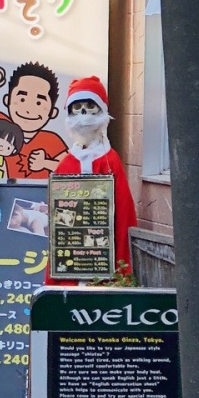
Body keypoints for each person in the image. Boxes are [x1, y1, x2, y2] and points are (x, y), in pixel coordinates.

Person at [51, 75, 137, 278]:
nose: (82, 113)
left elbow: (124, 211)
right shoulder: (66, 164)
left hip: (104, 250)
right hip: (71, 251)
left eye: (89, 106)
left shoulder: (110, 160)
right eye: (77, 107)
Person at [0, 61, 68, 177]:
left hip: (41, 193)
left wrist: (45, 163)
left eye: (38, 103)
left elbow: (70, 168)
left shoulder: (52, 139)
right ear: (7, 100)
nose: (28, 110)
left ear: (53, 112)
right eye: (22, 99)